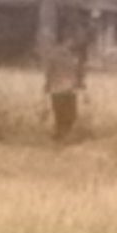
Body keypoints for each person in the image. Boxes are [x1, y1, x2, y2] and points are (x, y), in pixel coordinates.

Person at [43, 12, 91, 142]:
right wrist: (46, 90)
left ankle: (60, 137)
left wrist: (84, 91)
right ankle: (59, 139)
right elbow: (50, 72)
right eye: (73, 41)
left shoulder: (71, 55)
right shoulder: (61, 55)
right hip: (61, 90)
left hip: (65, 90)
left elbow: (78, 74)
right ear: (67, 40)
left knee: (68, 117)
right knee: (64, 117)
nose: (74, 43)